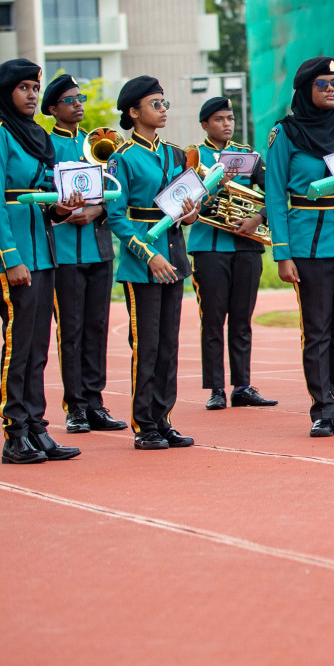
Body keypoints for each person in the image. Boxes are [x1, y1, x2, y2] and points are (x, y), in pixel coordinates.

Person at [0, 59, 82, 463]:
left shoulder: (36, 135)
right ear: (5, 92)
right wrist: (11, 258)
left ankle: (38, 428)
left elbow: (44, 195)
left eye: (35, 89)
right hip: (15, 256)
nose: (33, 95)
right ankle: (14, 433)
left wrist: (62, 207)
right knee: (18, 346)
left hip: (44, 251)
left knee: (38, 347)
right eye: (24, 88)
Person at [264, 58, 334, 436]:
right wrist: (282, 253)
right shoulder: (286, 133)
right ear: (305, 90)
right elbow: (276, 195)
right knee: (318, 330)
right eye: (323, 83)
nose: (331, 89)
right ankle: (322, 410)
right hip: (308, 242)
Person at [108, 76, 203, 449]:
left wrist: (192, 213)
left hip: (175, 257)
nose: (164, 110)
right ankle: (143, 423)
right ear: (133, 113)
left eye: (165, 104)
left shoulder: (176, 154)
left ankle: (163, 419)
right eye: (155, 104)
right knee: (145, 346)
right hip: (143, 264)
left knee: (168, 346)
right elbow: (117, 217)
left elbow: (186, 206)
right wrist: (149, 256)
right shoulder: (122, 158)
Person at [43, 74, 125, 434]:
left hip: (98, 247)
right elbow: (43, 191)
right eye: (70, 100)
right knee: (71, 330)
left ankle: (95, 402)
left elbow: (118, 190)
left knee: (97, 328)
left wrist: (99, 211)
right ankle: (75, 406)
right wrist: (63, 209)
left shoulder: (98, 143)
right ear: (53, 109)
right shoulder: (45, 145)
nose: (79, 104)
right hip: (64, 250)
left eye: (81, 99)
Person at [188, 96, 276, 411]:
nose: (227, 124)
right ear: (205, 125)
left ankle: (242, 386)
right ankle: (215, 388)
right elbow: (185, 198)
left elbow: (272, 193)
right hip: (209, 248)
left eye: (230, 118)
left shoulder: (248, 156)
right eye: (219, 119)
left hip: (247, 245)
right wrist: (214, 183)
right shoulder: (192, 156)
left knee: (242, 320)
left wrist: (259, 218)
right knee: (213, 320)